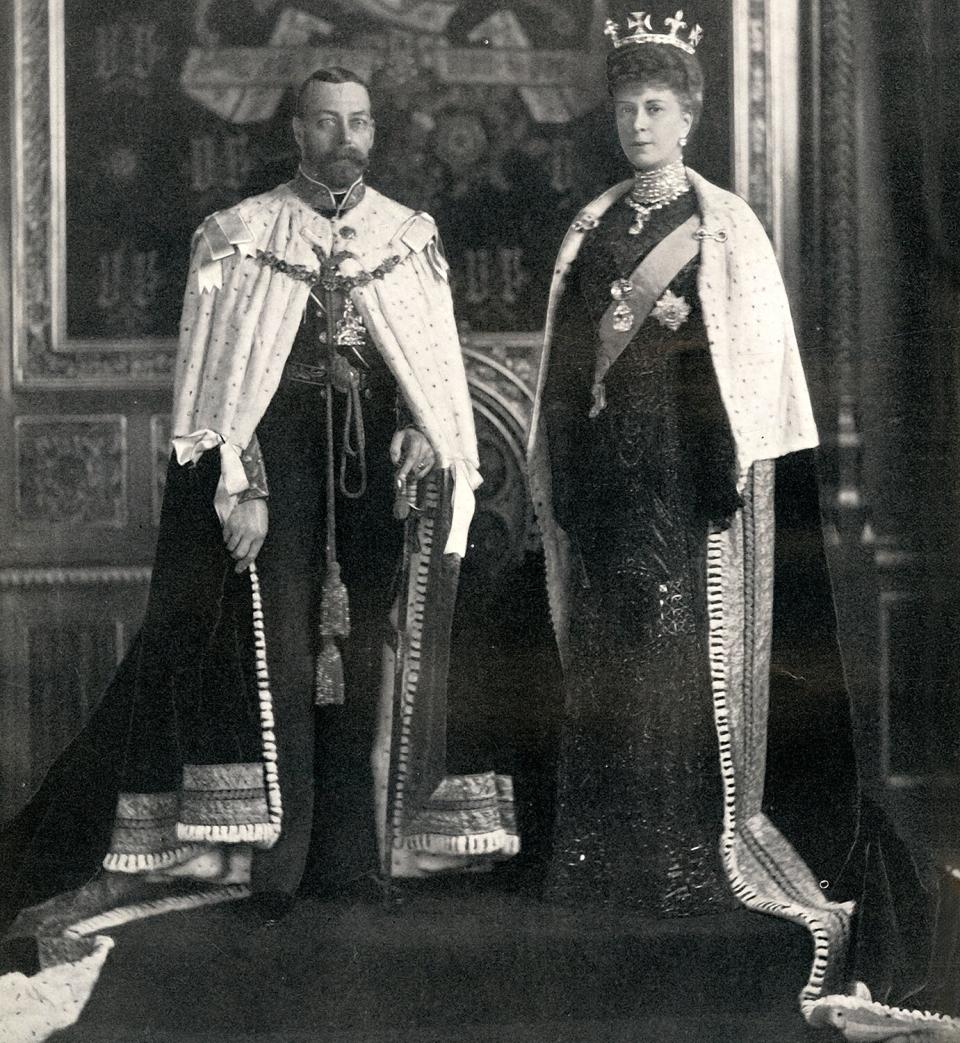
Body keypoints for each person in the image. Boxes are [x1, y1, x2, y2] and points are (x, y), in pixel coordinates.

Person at [3, 67, 517, 969]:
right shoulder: (238, 236)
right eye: (326, 122)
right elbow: (214, 385)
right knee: (279, 658)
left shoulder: (407, 236)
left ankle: (354, 861)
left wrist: (421, 439)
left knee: (363, 657)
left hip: (370, 478)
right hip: (276, 472)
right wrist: (237, 482)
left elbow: (427, 374)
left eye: (358, 121)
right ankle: (278, 864)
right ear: (297, 133)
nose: (345, 137)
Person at [526, 12, 957, 1038]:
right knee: (606, 668)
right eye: (627, 105)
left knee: (679, 672)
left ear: (690, 117)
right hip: (609, 489)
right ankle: (604, 857)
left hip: (689, 485)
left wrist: (719, 454)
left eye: (658, 106)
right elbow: (561, 375)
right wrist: (574, 474)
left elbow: (748, 370)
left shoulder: (725, 230)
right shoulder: (590, 228)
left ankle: (682, 860)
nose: (639, 122)